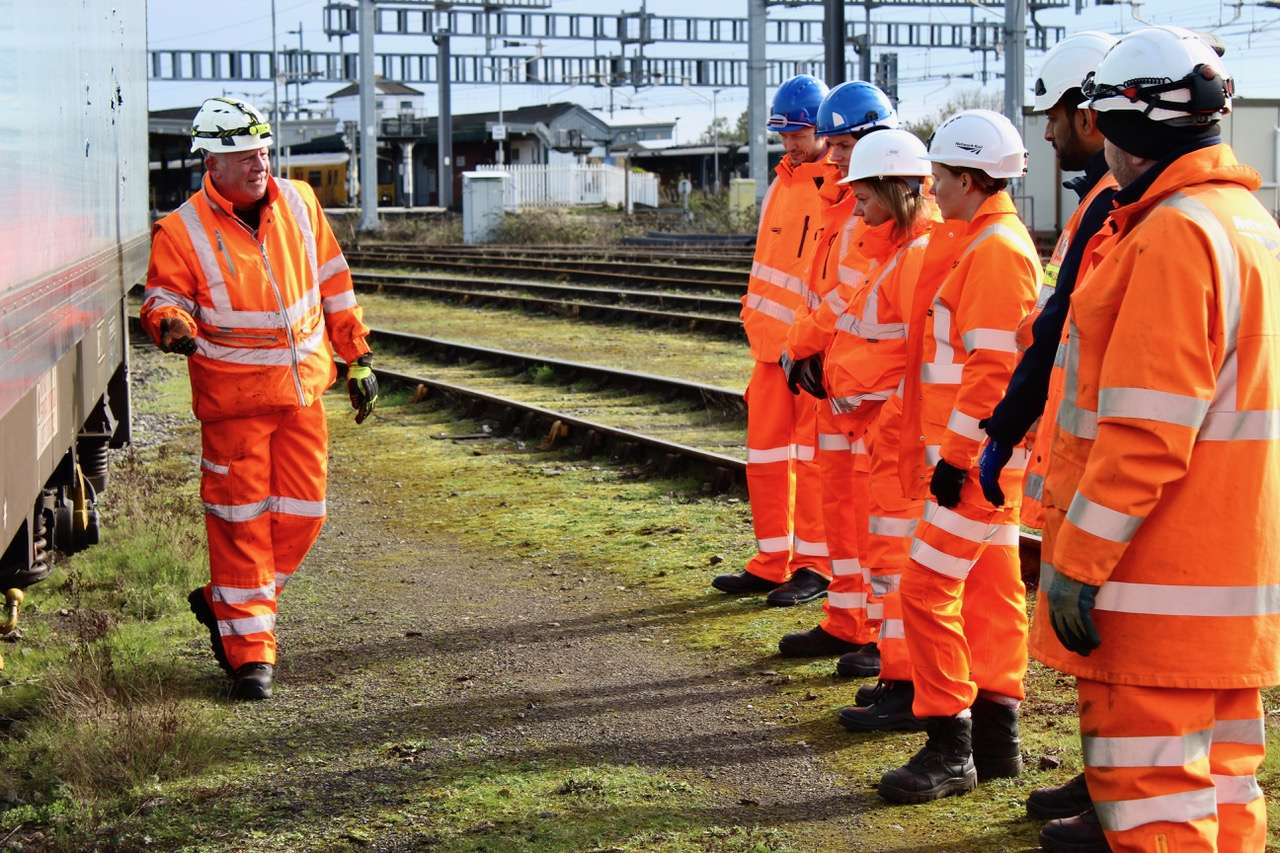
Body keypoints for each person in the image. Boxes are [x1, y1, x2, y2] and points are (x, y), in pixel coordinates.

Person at [1030, 26, 1280, 852]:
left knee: (1153, 802)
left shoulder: (1173, 235)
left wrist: (1078, 562)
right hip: (1231, 587)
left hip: (1154, 588)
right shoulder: (1250, 225)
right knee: (1227, 787)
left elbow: (1146, 429)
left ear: (1129, 126)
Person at [140, 97, 376, 701]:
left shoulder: (300, 204)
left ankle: (227, 604)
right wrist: (169, 323)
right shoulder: (182, 229)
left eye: (263, 152)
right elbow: (163, 298)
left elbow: (335, 284)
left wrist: (358, 358)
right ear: (211, 162)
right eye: (245, 155)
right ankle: (251, 657)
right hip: (235, 406)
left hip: (302, 395)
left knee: (304, 514)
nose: (258, 164)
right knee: (240, 525)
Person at [969, 31, 1120, 849]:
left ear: (1091, 115)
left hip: (1102, 452)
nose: (1048, 135)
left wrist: (1003, 428)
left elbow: (1055, 324)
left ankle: (1119, 792)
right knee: (1098, 635)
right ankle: (1104, 776)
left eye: (1055, 116)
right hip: (1081, 444)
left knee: (1113, 629)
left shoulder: (1112, 209)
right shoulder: (1101, 204)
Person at [878, 109, 1041, 804]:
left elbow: (993, 372)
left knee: (923, 588)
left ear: (972, 178)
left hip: (976, 463)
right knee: (994, 586)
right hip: (985, 459)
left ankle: (950, 745)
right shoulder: (989, 240)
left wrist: (955, 456)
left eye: (941, 176)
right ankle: (998, 740)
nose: (933, 188)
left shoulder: (994, 252)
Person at [773, 82, 901, 662]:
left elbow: (845, 297)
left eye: (845, 144)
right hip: (836, 382)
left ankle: (880, 633)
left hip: (866, 391)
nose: (836, 156)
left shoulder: (879, 217)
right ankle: (848, 618)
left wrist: (800, 342)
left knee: (874, 517)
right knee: (841, 508)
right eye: (832, 144)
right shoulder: (842, 205)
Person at [713, 75, 837, 606]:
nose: (790, 143)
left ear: (825, 130)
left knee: (812, 461)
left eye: (799, 132)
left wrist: (815, 343)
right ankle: (771, 559)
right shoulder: (781, 184)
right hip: (768, 347)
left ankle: (815, 565)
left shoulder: (837, 184)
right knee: (765, 457)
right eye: (783, 134)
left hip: (810, 352)